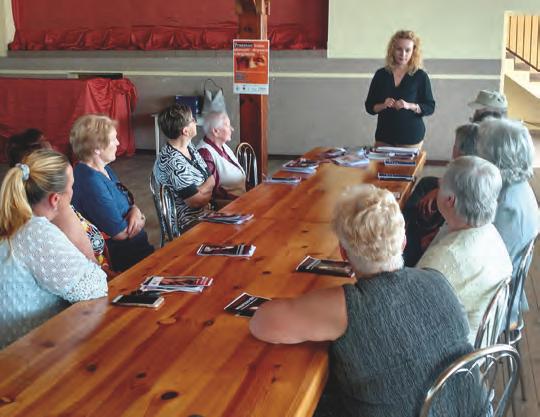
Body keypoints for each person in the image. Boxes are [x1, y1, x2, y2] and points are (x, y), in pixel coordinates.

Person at [250, 185, 472, 417]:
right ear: (404, 242)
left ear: (343, 254)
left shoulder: (347, 306)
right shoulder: (436, 279)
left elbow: (261, 322)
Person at [0, 149, 108, 349]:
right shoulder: (35, 231)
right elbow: (96, 286)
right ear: (55, 199)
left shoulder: (12, 218)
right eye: (72, 187)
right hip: (28, 356)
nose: (73, 192)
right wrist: (65, 212)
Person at [417, 156, 512, 344]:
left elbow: (409, 309)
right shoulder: (488, 231)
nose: (438, 182)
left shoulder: (445, 256)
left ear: (450, 200)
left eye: (442, 182)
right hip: (483, 341)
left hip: (456, 359)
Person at [6, 128, 112, 274]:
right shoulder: (58, 212)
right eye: (70, 185)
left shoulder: (19, 206)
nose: (73, 190)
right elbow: (94, 273)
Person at [70, 115, 154, 272]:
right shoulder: (90, 181)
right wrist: (141, 218)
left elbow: (126, 202)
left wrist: (135, 211)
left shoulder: (104, 169)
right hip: (124, 260)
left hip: (136, 250)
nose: (118, 143)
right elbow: (121, 233)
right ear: (97, 148)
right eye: (113, 139)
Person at [475, 118, 538, 320]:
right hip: (502, 291)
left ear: (496, 157)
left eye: (480, 149)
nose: (476, 154)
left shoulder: (507, 206)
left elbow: (480, 264)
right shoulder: (517, 187)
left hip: (492, 306)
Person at [403, 123, 479, 266]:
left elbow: (456, 186)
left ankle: (402, 227)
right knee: (427, 184)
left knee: (420, 196)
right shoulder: (477, 170)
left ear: (461, 151)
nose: (453, 149)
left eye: (455, 145)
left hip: (428, 248)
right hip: (439, 233)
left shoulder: (462, 176)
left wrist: (438, 237)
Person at [365, 30, 435, 148]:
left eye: (408, 50)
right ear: (392, 50)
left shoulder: (420, 76)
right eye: (399, 49)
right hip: (384, 137)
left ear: (414, 51)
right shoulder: (381, 74)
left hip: (411, 138)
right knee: (380, 167)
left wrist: (409, 105)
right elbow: (369, 107)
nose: (403, 54)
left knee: (407, 167)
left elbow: (430, 107)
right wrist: (383, 105)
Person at [153, 103, 215, 232]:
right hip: (186, 222)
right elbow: (196, 202)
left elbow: (211, 178)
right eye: (192, 119)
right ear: (185, 131)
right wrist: (206, 189)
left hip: (206, 211)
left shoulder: (189, 146)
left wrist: (201, 190)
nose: (195, 121)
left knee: (243, 210)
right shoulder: (172, 161)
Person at [197, 111, 246, 206]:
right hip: (228, 208)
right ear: (215, 131)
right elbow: (209, 196)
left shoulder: (223, 146)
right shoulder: (205, 153)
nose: (232, 129)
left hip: (240, 202)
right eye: (227, 125)